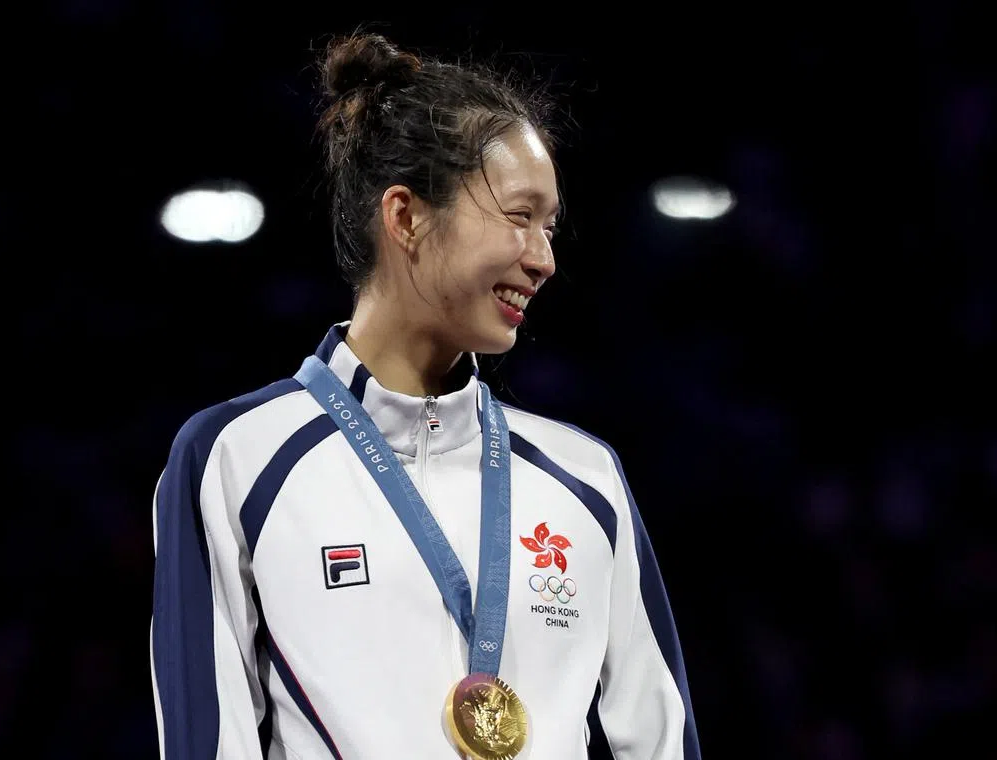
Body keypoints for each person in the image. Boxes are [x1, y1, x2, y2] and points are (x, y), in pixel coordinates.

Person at [150, 31, 701, 760]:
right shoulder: (239, 460)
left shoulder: (585, 479)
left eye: (551, 224)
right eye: (518, 215)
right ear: (406, 216)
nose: (544, 258)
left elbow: (661, 742)